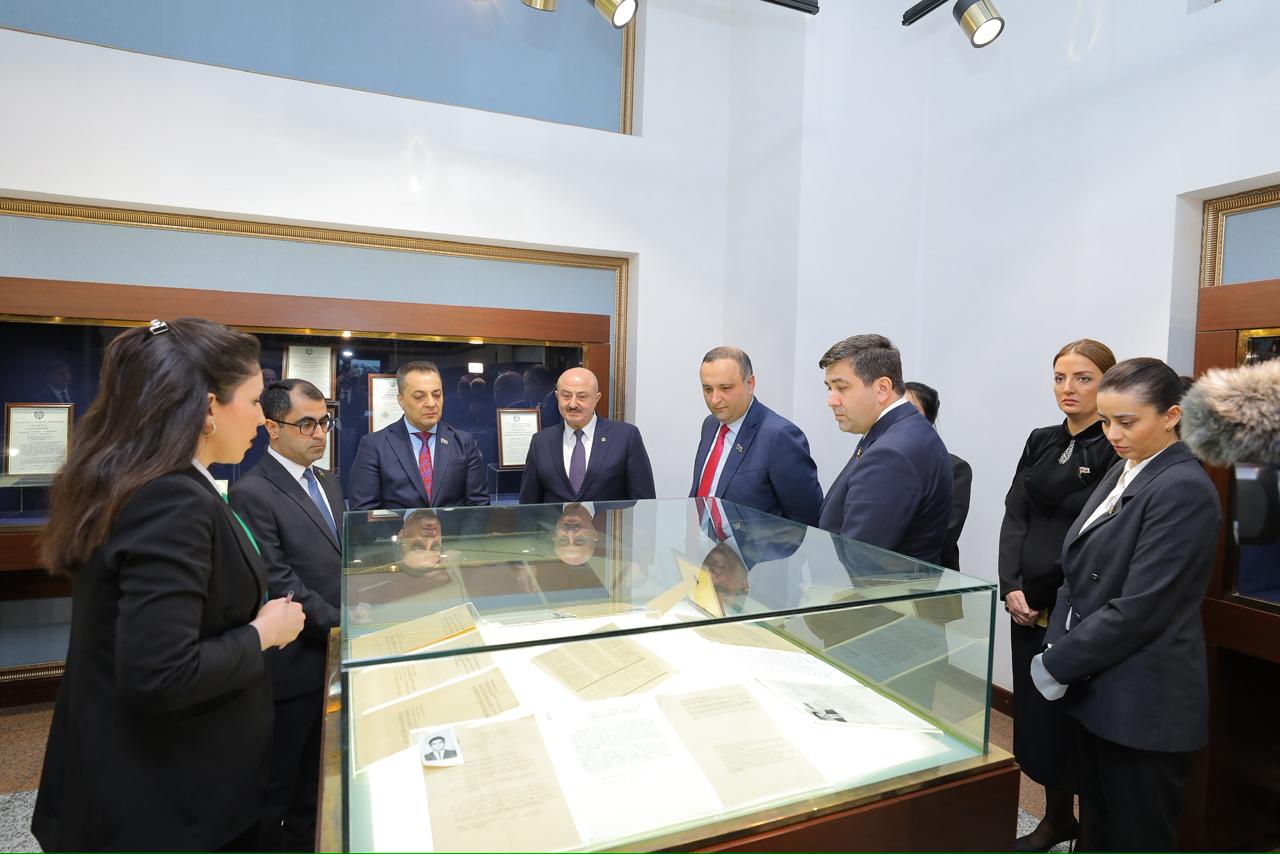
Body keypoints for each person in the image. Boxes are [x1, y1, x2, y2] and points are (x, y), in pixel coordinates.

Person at [31, 318, 305, 851]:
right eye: (253, 401)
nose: (261, 417)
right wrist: (264, 633)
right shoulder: (170, 498)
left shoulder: (138, 480)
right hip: (163, 802)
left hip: (145, 783)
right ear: (207, 408)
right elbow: (161, 672)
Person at [1034, 358, 1220, 851]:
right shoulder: (1129, 466)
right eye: (1106, 421)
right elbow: (1077, 567)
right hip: (1102, 681)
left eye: (1127, 422)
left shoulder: (1182, 486)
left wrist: (1056, 662)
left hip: (1143, 696)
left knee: (1135, 834)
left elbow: (1140, 608)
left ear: (1172, 415)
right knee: (1097, 823)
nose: (1113, 434)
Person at [998, 338, 1117, 852]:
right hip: (1025, 606)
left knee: (1075, 722)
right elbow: (1015, 513)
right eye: (1060, 377)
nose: (1068, 388)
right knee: (1038, 720)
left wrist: (1039, 592)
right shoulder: (1041, 439)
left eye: (1083, 378)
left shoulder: (1113, 445)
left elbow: (1092, 533)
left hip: (1073, 604)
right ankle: (1055, 818)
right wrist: (1011, 586)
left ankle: (1089, 830)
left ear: (1108, 383)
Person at [229, 378, 344, 851]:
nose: (319, 434)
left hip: (334, 655)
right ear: (272, 428)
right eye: (306, 424)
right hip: (294, 664)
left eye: (324, 422)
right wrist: (344, 622)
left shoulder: (328, 481)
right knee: (278, 783)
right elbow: (281, 582)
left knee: (318, 783)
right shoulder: (252, 491)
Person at [816, 334, 953, 563]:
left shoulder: (891, 454)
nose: (831, 400)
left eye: (842, 387)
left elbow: (860, 559)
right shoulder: (900, 430)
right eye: (829, 388)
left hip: (875, 585)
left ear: (882, 388)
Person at [690, 346, 822, 526]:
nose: (714, 399)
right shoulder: (710, 425)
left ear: (750, 384)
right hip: (703, 541)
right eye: (707, 389)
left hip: (754, 545)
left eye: (725, 388)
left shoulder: (780, 436)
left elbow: (806, 519)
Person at [348, 360, 488, 510]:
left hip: (452, 526)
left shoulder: (463, 443)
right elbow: (363, 513)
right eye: (419, 396)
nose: (431, 403)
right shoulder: (374, 446)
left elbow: (479, 507)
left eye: (437, 395)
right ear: (401, 400)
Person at [518, 367, 656, 503]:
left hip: (607, 519)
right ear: (557, 396)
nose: (572, 404)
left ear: (597, 398)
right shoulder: (541, 442)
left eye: (582, 397)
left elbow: (644, 502)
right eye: (566, 396)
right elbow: (529, 504)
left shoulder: (625, 437)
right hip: (555, 519)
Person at [904, 381, 971, 571]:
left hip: (931, 578)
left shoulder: (954, 468)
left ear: (928, 421)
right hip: (877, 576)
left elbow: (943, 536)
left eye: (909, 411)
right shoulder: (878, 461)